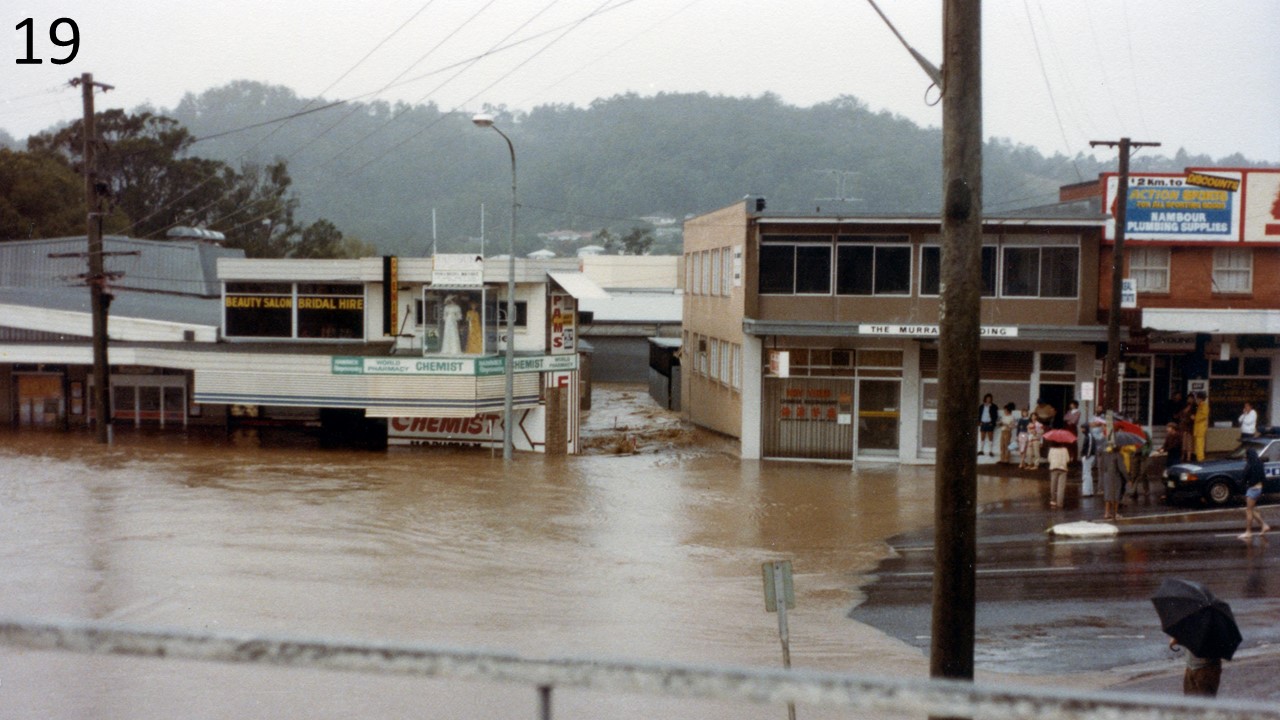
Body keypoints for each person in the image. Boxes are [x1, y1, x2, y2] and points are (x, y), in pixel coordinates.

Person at [1239, 448, 1271, 539]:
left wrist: (1241, 488)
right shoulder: (1260, 464)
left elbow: (1243, 478)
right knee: (1252, 510)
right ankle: (1264, 526)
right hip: (1259, 488)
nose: (1245, 457)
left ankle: (1248, 532)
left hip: (1252, 490)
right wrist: (1264, 490)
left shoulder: (1249, 465)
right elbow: (1263, 478)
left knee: (1248, 511)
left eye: (1246, 455)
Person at [1099, 442, 1128, 521]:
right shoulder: (1118, 455)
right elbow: (1122, 468)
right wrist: (1128, 478)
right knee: (1116, 495)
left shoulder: (1105, 455)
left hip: (1106, 476)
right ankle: (1115, 513)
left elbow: (1102, 467)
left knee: (1108, 495)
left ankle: (1107, 513)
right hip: (1115, 476)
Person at [1047, 440, 1070, 509]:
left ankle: (1053, 501)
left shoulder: (1052, 449)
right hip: (1063, 469)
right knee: (1061, 487)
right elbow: (1067, 459)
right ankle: (1060, 503)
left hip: (1054, 468)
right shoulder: (1065, 450)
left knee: (1053, 485)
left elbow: (1049, 459)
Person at [1192, 391, 1210, 462]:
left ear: (1201, 398)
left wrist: (1195, 418)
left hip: (1200, 427)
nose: (1197, 399)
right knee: (1197, 443)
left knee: (1199, 444)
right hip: (1198, 427)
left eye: (1198, 398)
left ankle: (1200, 458)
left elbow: (1204, 416)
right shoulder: (1200, 405)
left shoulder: (1204, 405)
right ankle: (1198, 457)